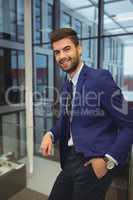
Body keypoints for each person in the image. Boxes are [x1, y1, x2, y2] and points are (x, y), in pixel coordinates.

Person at [40, 28, 133, 200]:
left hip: (94, 164)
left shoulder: (100, 79)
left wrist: (107, 162)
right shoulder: (67, 84)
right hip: (71, 161)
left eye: (67, 49)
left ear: (79, 48)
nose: (61, 56)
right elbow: (66, 121)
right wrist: (51, 134)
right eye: (57, 52)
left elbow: (129, 125)